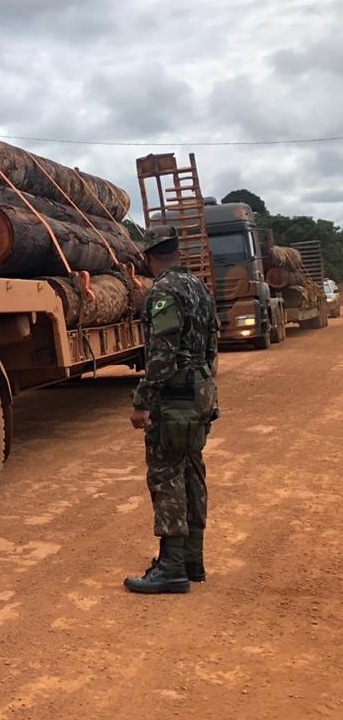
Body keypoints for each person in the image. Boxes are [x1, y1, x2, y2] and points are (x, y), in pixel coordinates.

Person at [125, 225, 219, 594]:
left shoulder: (163, 290)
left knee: (166, 477)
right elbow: (212, 345)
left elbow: (162, 352)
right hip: (199, 390)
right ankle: (192, 560)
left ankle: (171, 569)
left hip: (175, 395)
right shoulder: (200, 288)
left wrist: (143, 401)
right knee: (192, 472)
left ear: (148, 257)